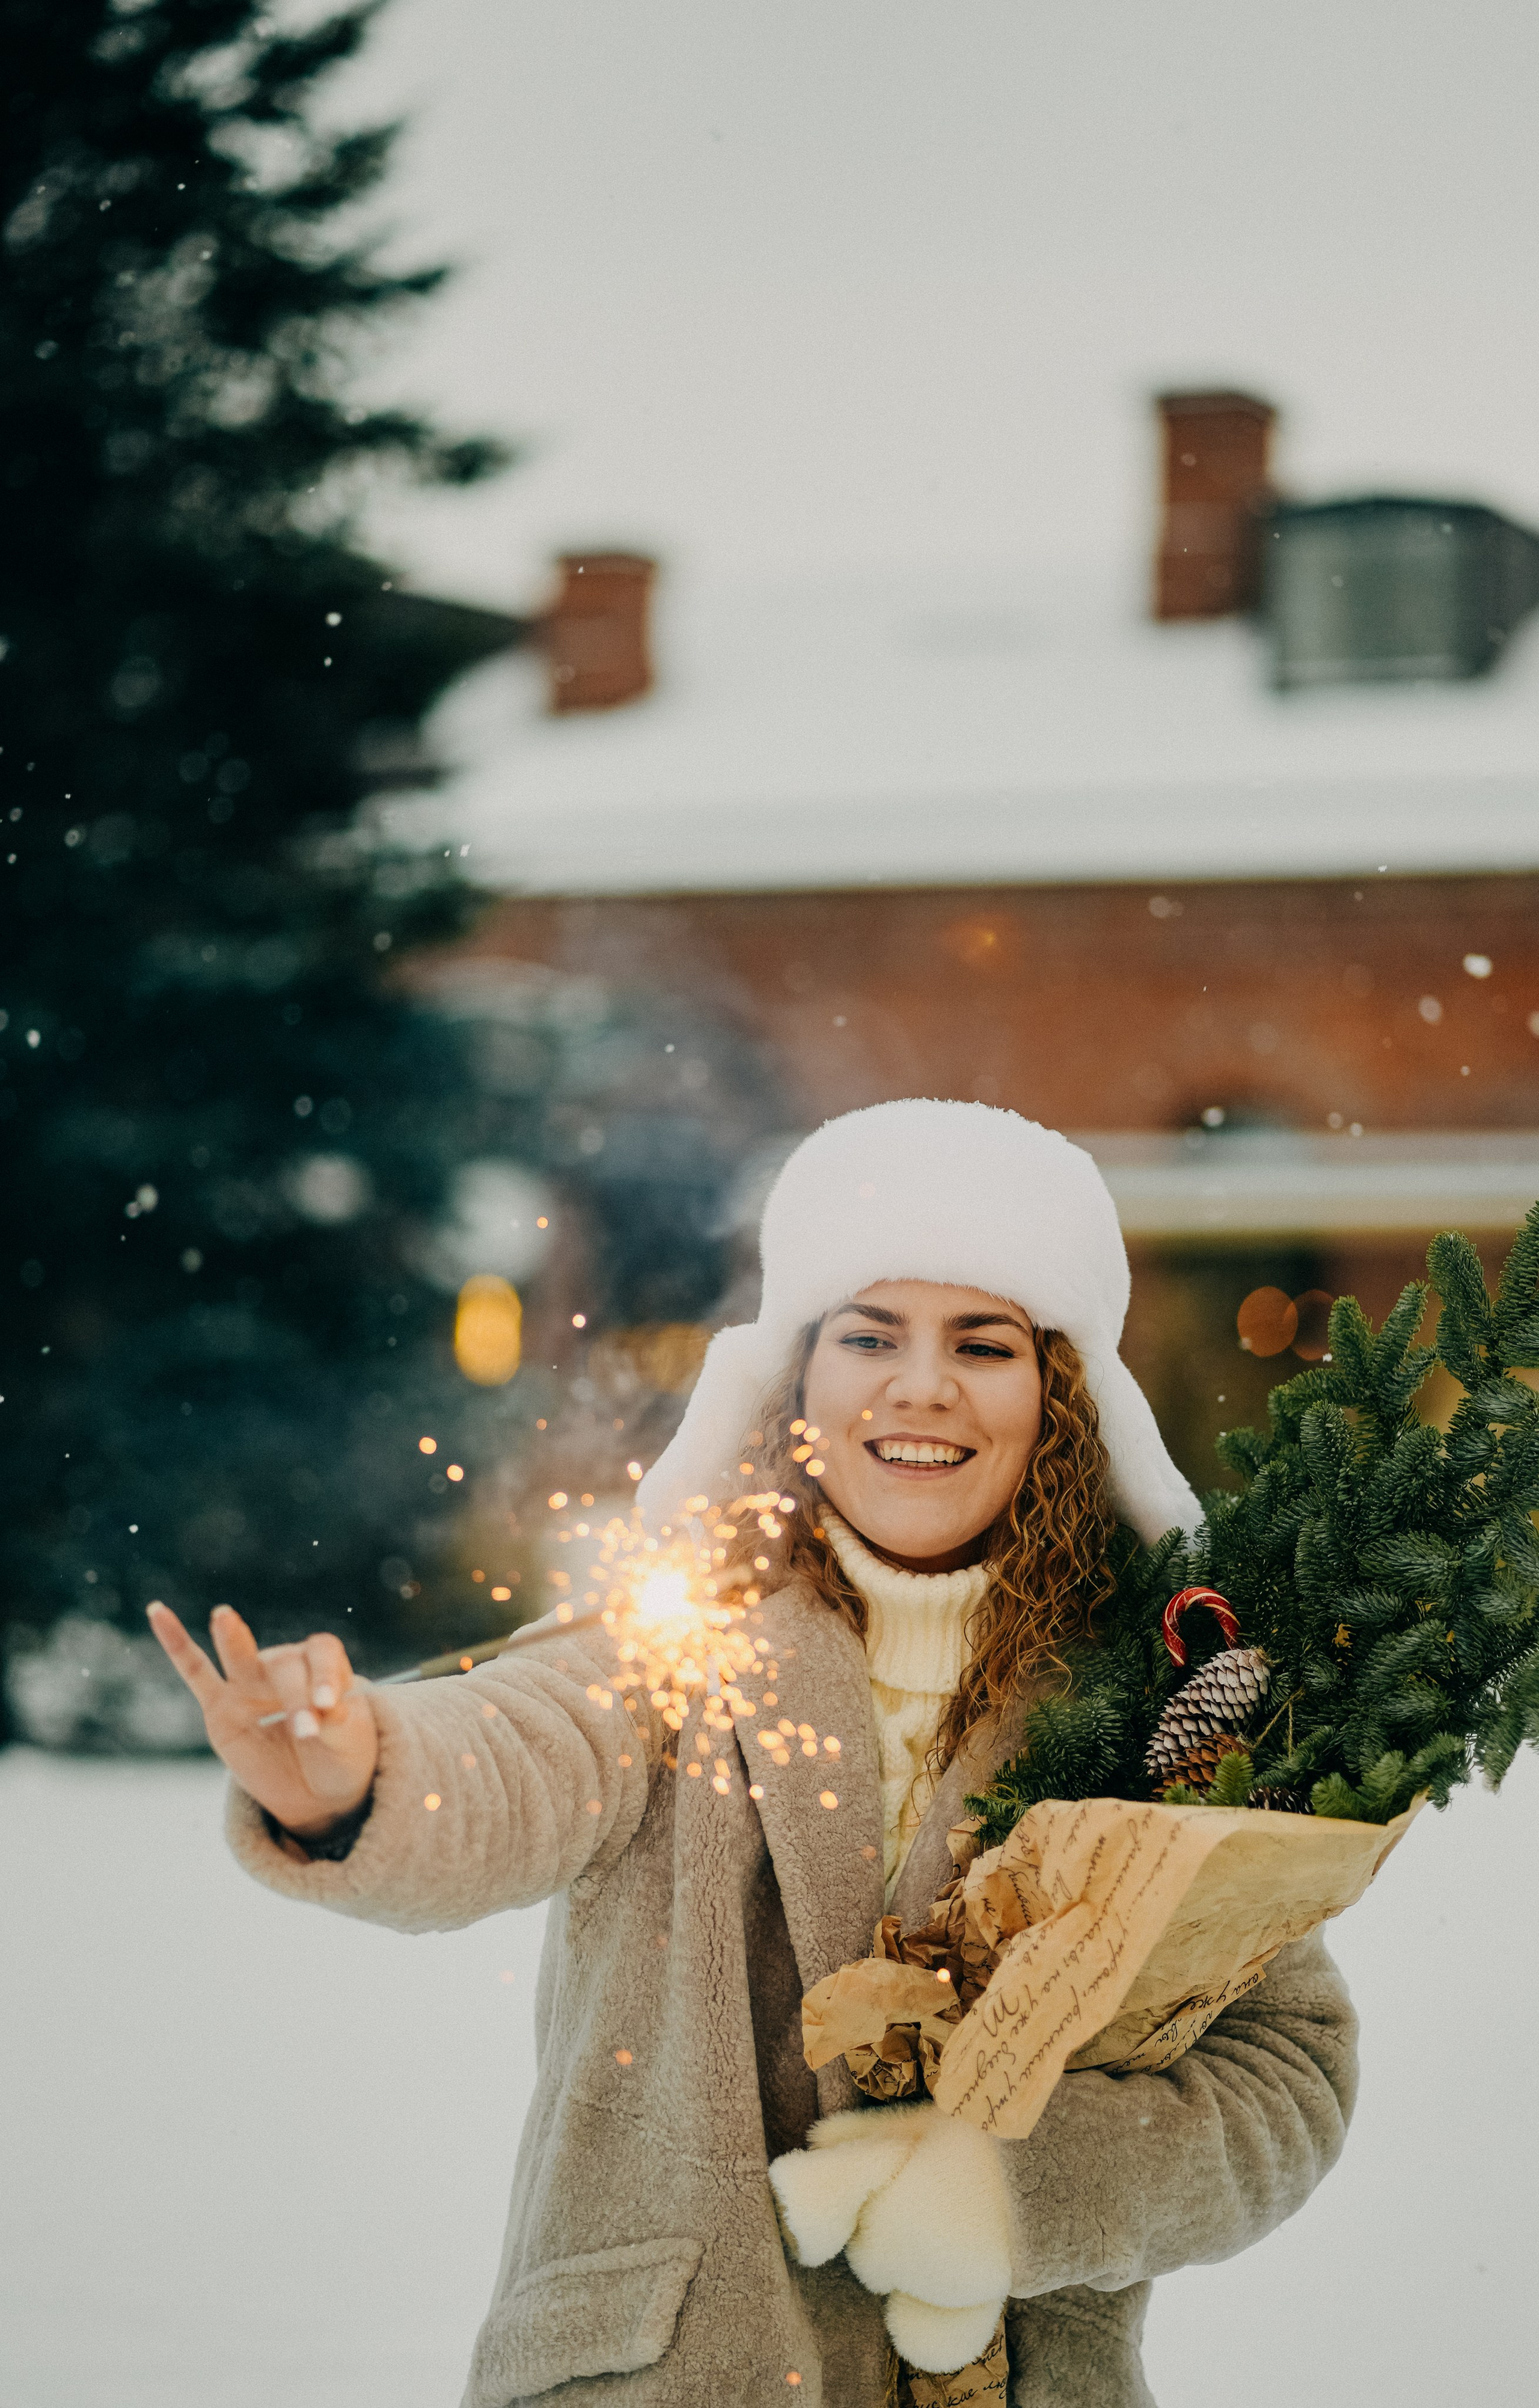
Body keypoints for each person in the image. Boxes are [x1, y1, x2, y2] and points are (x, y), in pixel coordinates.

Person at [151, 1101, 1358, 2408]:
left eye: (982, 1340)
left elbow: (1278, 2072)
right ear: (796, 1376)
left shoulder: (1158, 1713)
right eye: (868, 1333)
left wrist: (1011, 2192)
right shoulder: (680, 1636)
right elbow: (524, 1741)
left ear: (1059, 1394)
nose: (918, 1383)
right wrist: (357, 1773)